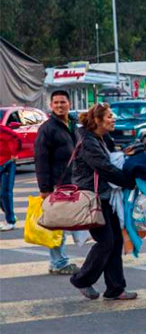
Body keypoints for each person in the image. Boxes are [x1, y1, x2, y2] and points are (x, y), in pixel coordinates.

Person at [70, 103, 136, 300]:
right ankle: (82, 280)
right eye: (108, 116)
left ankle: (115, 288)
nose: (113, 119)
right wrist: (128, 181)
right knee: (106, 242)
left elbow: (111, 161)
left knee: (115, 242)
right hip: (93, 198)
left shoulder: (102, 137)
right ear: (97, 121)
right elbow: (104, 167)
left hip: (106, 197)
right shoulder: (88, 141)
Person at [33, 90, 80, 274]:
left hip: (72, 182)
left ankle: (59, 260)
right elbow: (41, 160)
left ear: (69, 104)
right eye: (56, 103)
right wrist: (44, 189)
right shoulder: (47, 128)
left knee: (64, 223)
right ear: (51, 106)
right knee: (58, 224)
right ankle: (58, 262)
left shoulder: (72, 124)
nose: (60, 106)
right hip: (55, 185)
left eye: (63, 102)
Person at [0, 122, 22, 231]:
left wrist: (14, 154)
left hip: (7, 163)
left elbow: (16, 138)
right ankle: (10, 214)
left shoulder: (2, 129)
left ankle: (10, 221)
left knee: (5, 193)